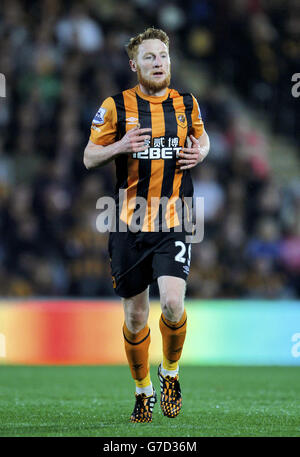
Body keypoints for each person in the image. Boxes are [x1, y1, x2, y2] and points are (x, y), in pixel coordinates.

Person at [83, 27, 210, 423]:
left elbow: (203, 141)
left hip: (173, 218)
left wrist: (200, 153)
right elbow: (89, 157)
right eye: (151, 57)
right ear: (134, 64)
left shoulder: (187, 104)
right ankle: (143, 391)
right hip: (128, 223)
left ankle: (169, 373)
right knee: (136, 317)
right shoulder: (116, 106)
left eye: (164, 56)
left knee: (173, 303)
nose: (159, 63)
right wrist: (121, 146)